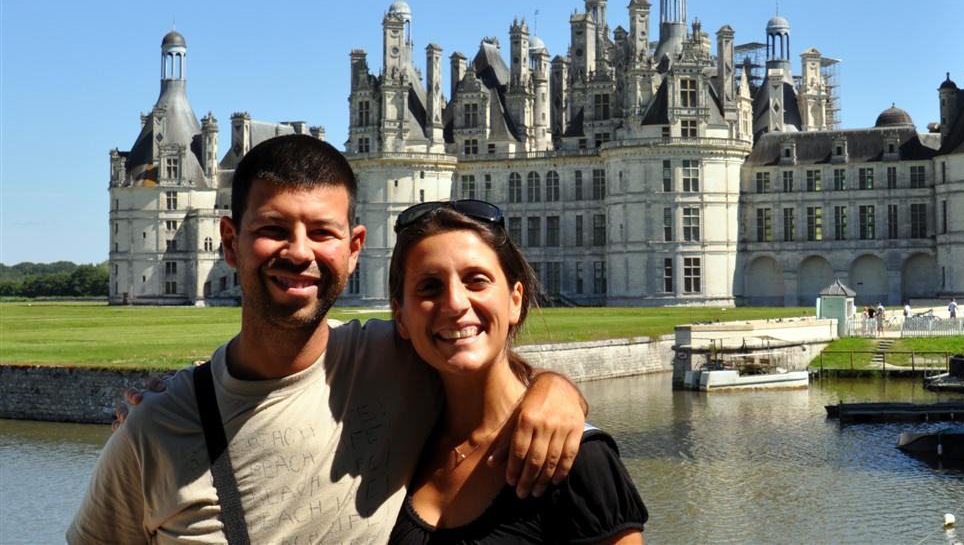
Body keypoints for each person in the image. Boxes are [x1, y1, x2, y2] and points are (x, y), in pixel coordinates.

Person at [69, 135, 587, 544]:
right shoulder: (153, 429)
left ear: (355, 247)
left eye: (322, 232)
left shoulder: (396, 358)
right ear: (229, 242)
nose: (299, 252)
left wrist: (557, 390)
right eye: (273, 228)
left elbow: (482, 364)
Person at [386, 201, 647, 543]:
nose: (455, 304)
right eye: (430, 286)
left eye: (476, 281)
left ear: (515, 300)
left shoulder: (577, 460)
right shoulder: (395, 441)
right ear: (400, 316)